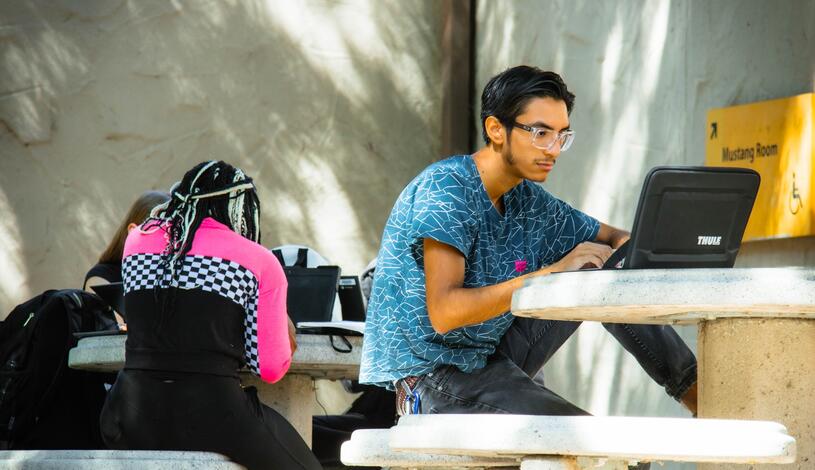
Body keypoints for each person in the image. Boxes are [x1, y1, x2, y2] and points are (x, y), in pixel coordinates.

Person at [360, 66, 697, 419]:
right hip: (434, 380)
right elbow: (446, 313)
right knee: (599, 444)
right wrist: (551, 273)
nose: (554, 149)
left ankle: (696, 392)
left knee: (596, 269)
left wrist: (649, 253)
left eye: (562, 135)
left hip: (492, 358)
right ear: (496, 129)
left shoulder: (527, 200)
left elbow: (617, 241)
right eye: (540, 133)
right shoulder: (447, 188)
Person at [99, 161, 322, 470]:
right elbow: (270, 368)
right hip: (212, 419)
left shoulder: (138, 242)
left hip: (128, 415)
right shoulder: (257, 259)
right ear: (242, 209)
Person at [84, 191, 170, 326]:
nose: (170, 245)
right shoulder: (101, 277)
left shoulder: (173, 276)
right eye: (160, 235)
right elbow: (112, 337)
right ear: (133, 231)